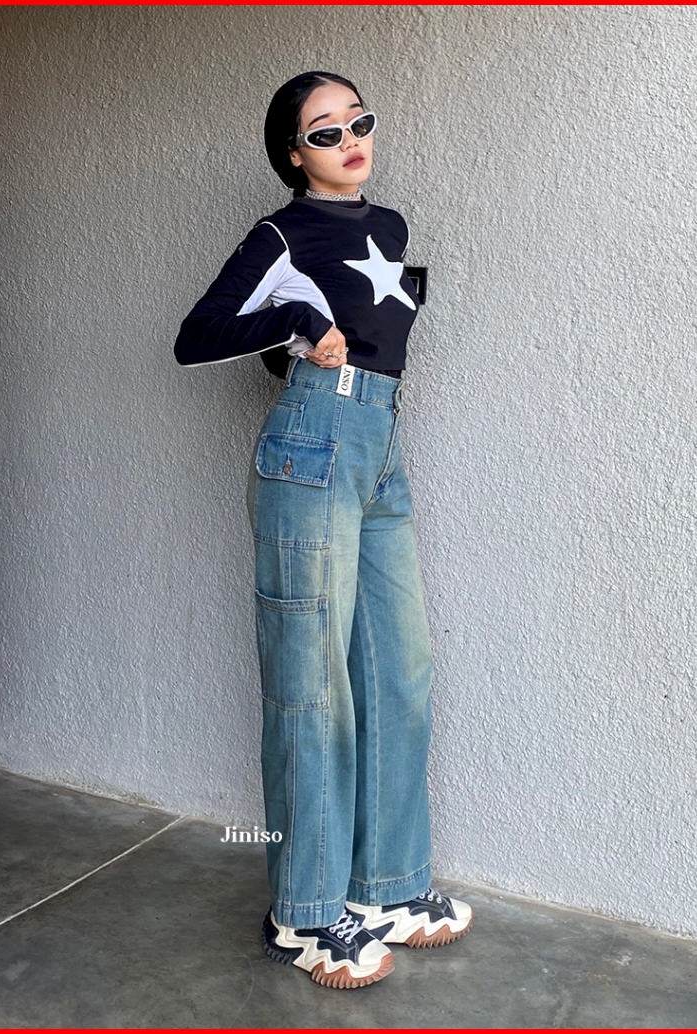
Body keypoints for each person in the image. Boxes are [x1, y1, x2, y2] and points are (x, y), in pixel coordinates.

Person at [174, 71, 472, 989]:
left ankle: (387, 888)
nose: (349, 139)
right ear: (293, 154)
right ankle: (305, 913)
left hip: (379, 443)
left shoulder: (389, 228)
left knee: (400, 669)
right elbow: (195, 335)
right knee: (313, 685)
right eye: (325, 131)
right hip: (311, 443)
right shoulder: (281, 233)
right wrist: (298, 320)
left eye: (358, 121)